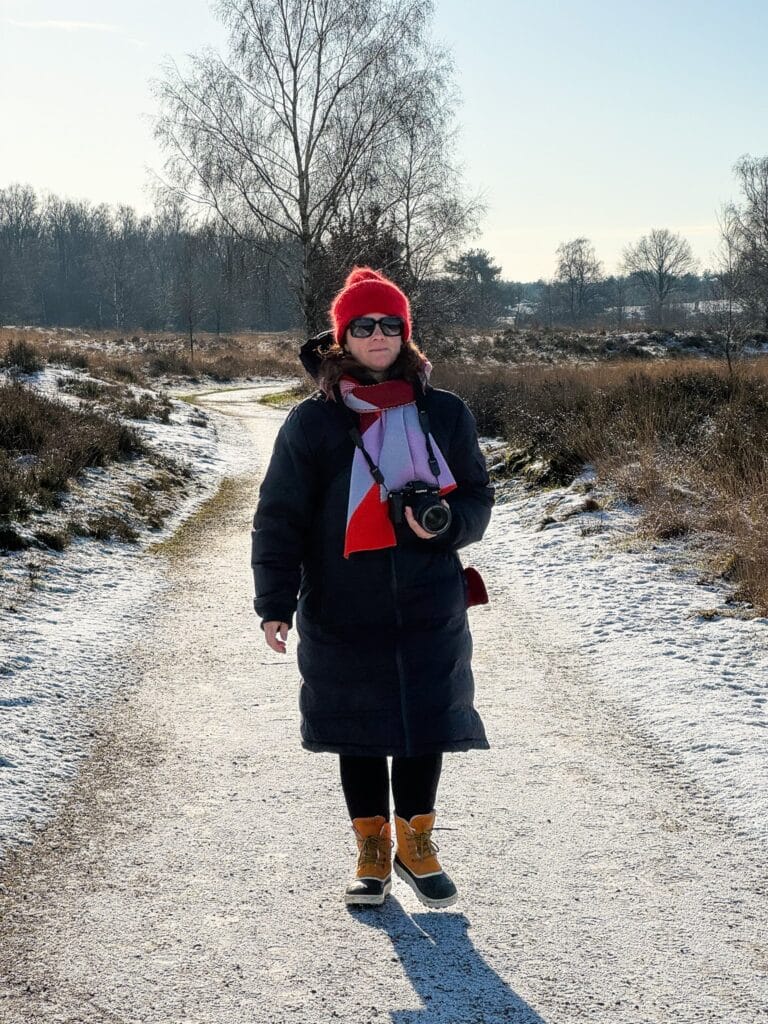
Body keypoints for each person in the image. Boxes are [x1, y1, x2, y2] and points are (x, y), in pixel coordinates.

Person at [251, 267, 494, 909]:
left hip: (428, 593)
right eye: (364, 325)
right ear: (342, 338)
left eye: (391, 324)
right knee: (356, 724)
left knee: (425, 717)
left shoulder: (444, 412)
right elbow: (281, 516)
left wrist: (446, 528)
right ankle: (372, 853)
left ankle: (418, 846)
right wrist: (274, 602)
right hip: (340, 597)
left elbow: (476, 497)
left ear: (406, 334)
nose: (378, 335)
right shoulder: (314, 422)